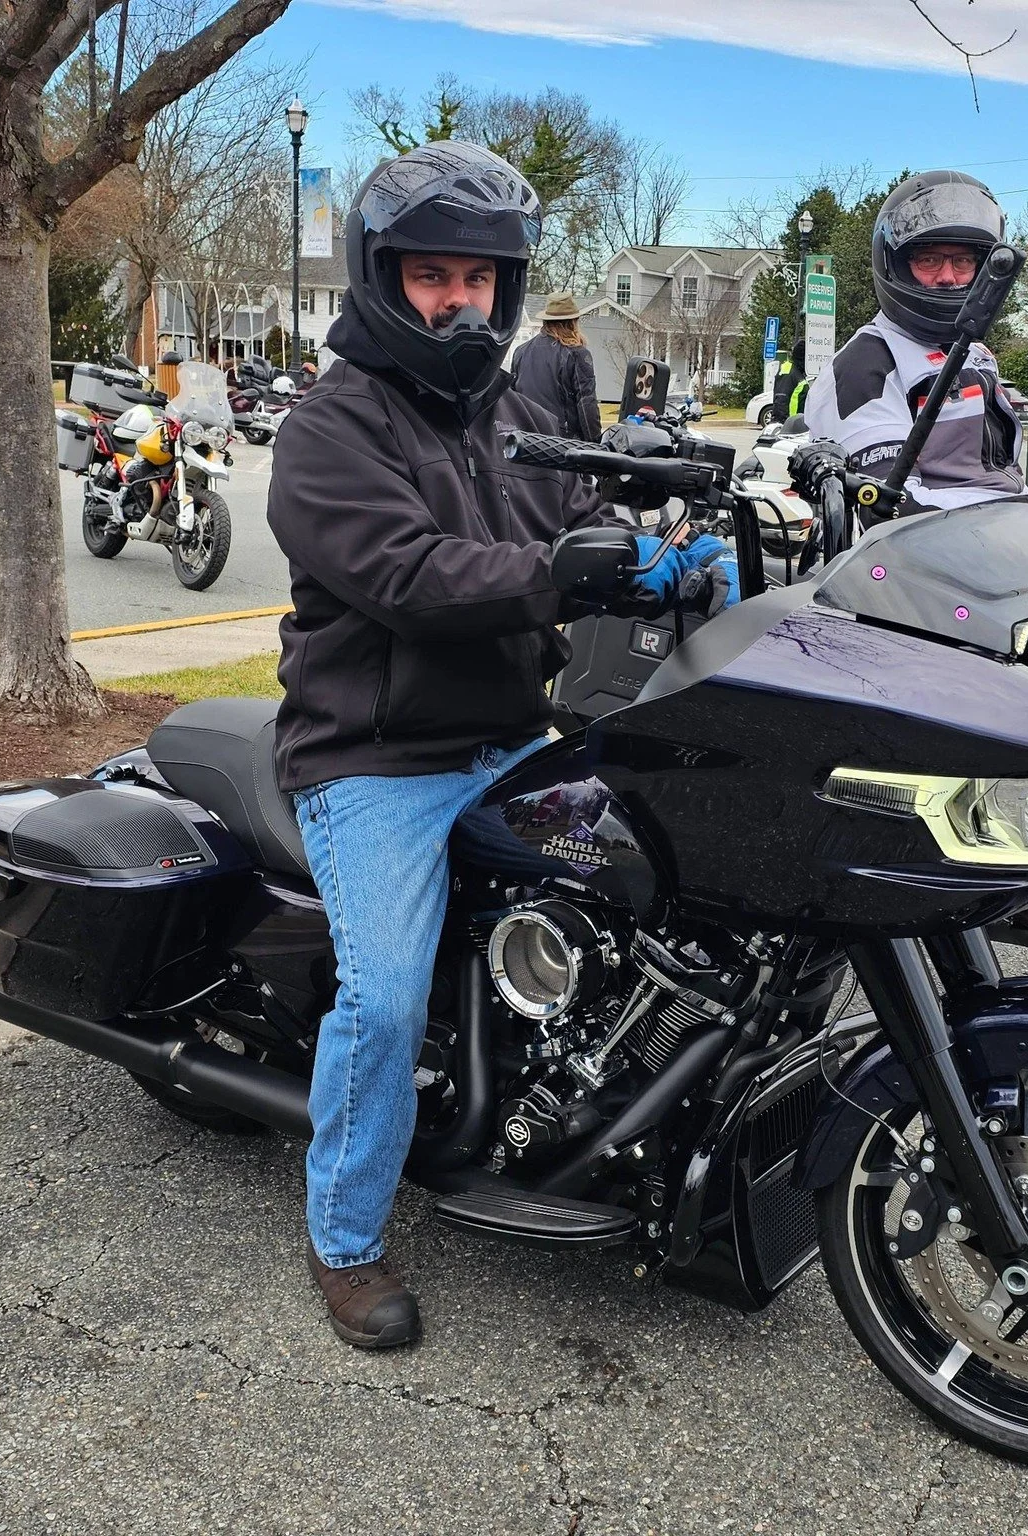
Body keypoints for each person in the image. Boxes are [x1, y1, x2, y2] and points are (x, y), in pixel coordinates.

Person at [266, 141, 728, 1352]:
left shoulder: (513, 416)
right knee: (383, 999)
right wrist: (569, 570)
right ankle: (345, 1238)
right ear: (381, 278)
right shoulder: (328, 429)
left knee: (671, 881)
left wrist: (665, 551)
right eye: (432, 276)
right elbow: (411, 576)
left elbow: (584, 513)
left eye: (478, 279)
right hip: (373, 759)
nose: (458, 300)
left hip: (511, 740)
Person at [803, 170, 1028, 541]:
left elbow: (991, 480)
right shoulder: (868, 366)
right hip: (922, 564)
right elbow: (892, 511)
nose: (948, 276)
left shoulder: (973, 355)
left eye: (962, 262)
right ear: (897, 264)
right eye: (929, 260)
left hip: (994, 549)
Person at [508, 291, 602, 441]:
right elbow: (586, 404)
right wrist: (596, 445)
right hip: (561, 443)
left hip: (526, 440)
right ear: (573, 321)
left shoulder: (521, 351)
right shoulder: (577, 354)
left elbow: (512, 399)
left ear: (546, 321)